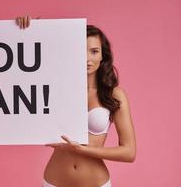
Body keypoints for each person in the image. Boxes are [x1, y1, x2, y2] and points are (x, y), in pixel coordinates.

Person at [15, 15, 136, 187]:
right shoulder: (56, 88)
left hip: (96, 182)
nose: (87, 59)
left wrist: (82, 149)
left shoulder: (114, 95)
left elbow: (129, 152)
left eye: (94, 51)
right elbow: (25, 71)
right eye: (80, 51)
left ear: (103, 55)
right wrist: (28, 30)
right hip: (54, 181)